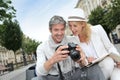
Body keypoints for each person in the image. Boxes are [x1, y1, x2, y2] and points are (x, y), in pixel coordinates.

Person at [35, 15, 105, 80]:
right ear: (50, 30)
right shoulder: (42, 47)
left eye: (62, 29)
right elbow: (39, 73)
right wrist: (53, 59)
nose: (60, 33)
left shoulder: (72, 40)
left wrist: (82, 60)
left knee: (94, 67)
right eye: (56, 30)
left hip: (73, 73)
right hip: (54, 77)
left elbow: (81, 65)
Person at [67, 8, 120, 80]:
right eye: (70, 25)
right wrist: (85, 60)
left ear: (82, 24)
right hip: (92, 71)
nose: (72, 29)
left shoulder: (98, 29)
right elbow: (81, 64)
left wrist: (118, 60)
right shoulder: (73, 40)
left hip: (110, 65)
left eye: (75, 26)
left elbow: (110, 47)